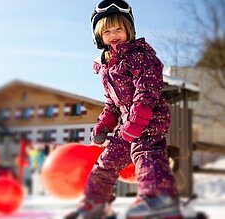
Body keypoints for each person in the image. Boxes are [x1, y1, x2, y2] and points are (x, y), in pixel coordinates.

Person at [65, 1, 180, 219]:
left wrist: (135, 125)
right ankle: (94, 203)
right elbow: (112, 105)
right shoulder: (107, 67)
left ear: (129, 30)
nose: (114, 34)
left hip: (149, 121)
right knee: (106, 161)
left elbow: (146, 94)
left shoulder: (141, 57)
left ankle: (158, 199)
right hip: (128, 124)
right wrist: (104, 124)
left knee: (146, 154)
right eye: (107, 31)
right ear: (99, 37)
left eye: (119, 28)